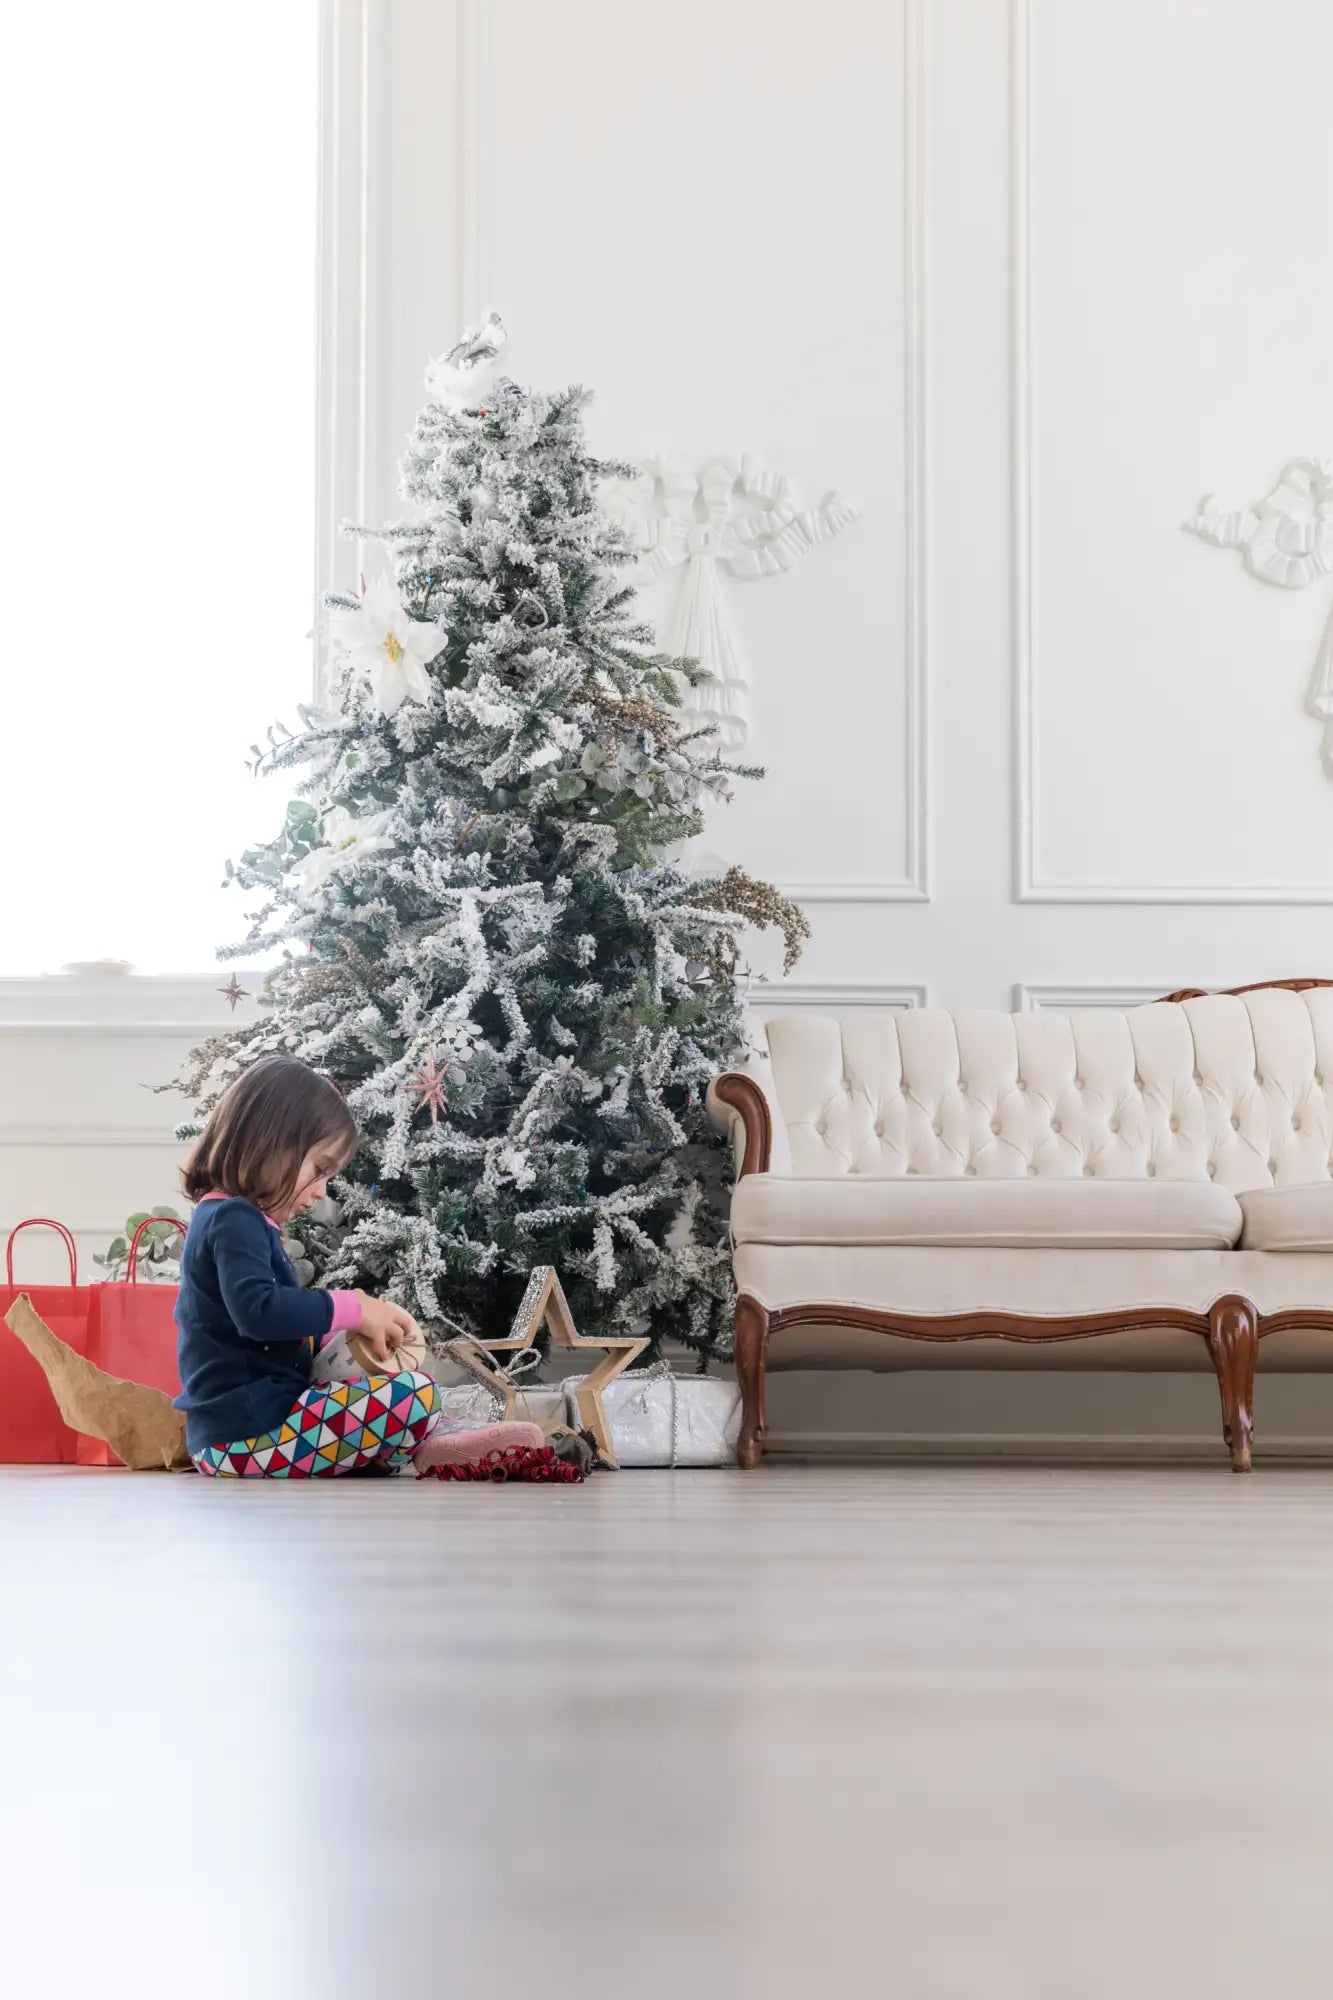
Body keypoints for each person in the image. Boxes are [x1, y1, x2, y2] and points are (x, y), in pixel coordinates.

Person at [173, 1054, 442, 1477]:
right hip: (244, 1434)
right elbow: (260, 1312)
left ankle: (412, 1444)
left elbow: (271, 1331)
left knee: (400, 1395)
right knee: (416, 1397)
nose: (320, 1193)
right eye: (320, 1169)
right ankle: (424, 1444)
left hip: (250, 1427)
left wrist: (341, 1335)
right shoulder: (233, 1218)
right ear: (269, 1142)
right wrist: (353, 1306)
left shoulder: (235, 1219)